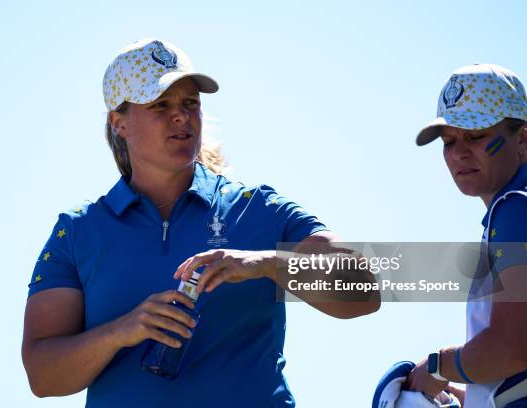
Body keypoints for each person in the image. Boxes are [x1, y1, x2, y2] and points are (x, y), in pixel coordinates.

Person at [20, 38, 380, 407]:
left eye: (190, 102)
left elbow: (365, 288)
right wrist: (120, 332)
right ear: (119, 123)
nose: (181, 115)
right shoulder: (78, 231)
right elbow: (42, 375)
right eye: (160, 104)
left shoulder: (257, 208)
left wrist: (266, 263)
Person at [409, 63, 527, 407]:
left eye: (476, 136)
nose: (460, 152)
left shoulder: (515, 208)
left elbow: (512, 347)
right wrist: (476, 393)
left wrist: (438, 367)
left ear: (522, 138)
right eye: (449, 141)